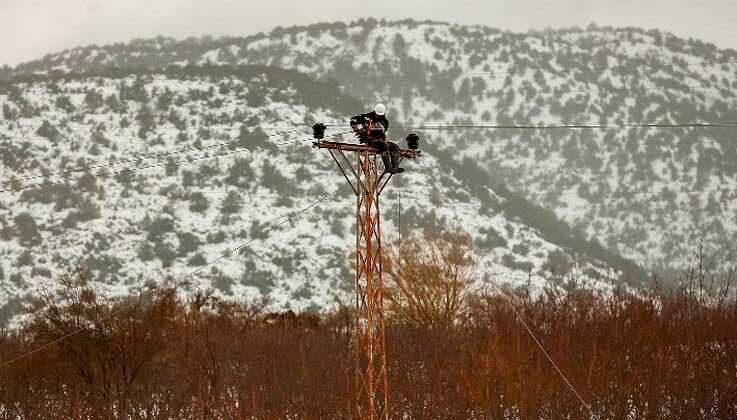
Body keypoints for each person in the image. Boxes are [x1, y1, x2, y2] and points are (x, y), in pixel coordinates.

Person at [350, 103, 404, 174]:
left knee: (395, 147)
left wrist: (371, 127)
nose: (379, 116)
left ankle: (395, 167)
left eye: (381, 115)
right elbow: (353, 120)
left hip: (380, 140)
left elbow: (381, 129)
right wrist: (355, 127)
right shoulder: (367, 117)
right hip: (370, 141)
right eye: (378, 115)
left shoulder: (384, 121)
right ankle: (388, 168)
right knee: (385, 146)